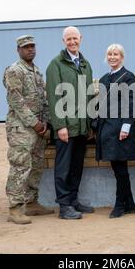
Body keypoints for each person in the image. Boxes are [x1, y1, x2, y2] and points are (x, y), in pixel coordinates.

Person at [3, 35, 54, 225]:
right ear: (19, 50)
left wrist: (46, 122)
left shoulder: (36, 72)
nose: (30, 50)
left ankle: (31, 202)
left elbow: (44, 99)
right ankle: (15, 208)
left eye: (32, 46)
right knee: (20, 165)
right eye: (26, 47)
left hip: (39, 129)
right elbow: (15, 100)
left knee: (36, 165)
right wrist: (34, 122)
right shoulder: (14, 70)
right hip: (21, 128)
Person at [46, 26, 95, 220]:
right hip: (66, 127)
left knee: (76, 166)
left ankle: (74, 200)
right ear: (63, 41)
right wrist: (60, 126)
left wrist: (89, 125)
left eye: (75, 38)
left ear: (80, 39)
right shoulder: (56, 65)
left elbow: (90, 95)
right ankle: (64, 205)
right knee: (64, 167)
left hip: (82, 127)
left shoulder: (85, 64)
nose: (72, 42)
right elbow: (53, 96)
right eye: (69, 39)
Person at [95, 44, 135, 218]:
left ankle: (120, 204)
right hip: (107, 128)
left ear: (122, 57)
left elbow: (132, 102)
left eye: (116, 54)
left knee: (120, 168)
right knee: (117, 167)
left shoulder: (128, 77)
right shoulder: (104, 78)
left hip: (120, 127)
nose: (112, 57)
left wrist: (126, 126)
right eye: (110, 54)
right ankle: (130, 204)